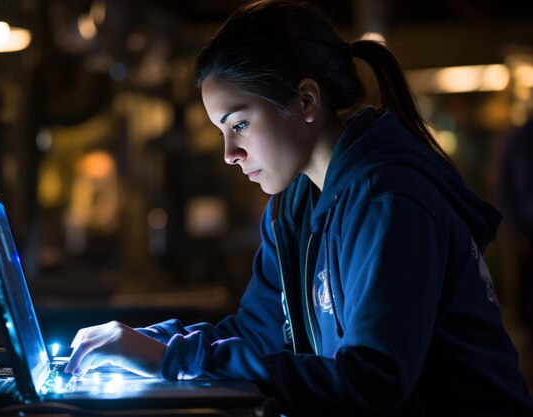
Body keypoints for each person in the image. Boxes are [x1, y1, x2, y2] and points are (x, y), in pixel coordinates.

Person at [64, 1, 533, 415]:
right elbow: (257, 332)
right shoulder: (293, 207)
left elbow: (371, 383)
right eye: (222, 131)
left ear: (306, 100)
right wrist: (151, 341)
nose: (229, 152)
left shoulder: (389, 199)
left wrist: (170, 361)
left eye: (240, 124)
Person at [497, 117, 533, 346]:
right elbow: (506, 190)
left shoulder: (517, 140)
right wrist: (518, 230)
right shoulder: (519, 140)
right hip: (527, 230)